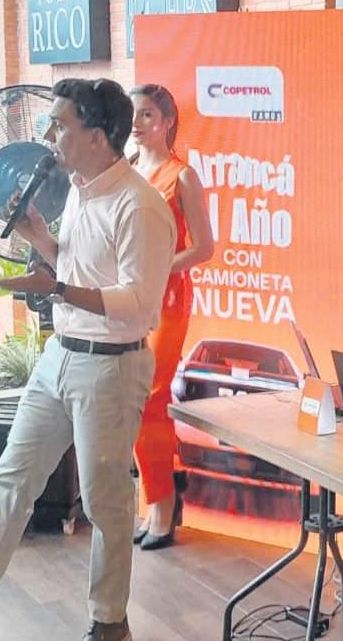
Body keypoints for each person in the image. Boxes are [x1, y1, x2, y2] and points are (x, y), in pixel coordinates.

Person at [0, 78, 176, 641]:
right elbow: (77, 267)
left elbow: (139, 303)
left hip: (111, 367)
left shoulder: (140, 206)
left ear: (97, 136)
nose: (48, 135)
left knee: (105, 501)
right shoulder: (80, 191)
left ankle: (108, 623)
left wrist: (57, 288)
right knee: (13, 477)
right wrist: (43, 240)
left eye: (60, 125)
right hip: (60, 356)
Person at [126, 83, 213, 551]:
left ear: (167, 121)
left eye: (146, 114)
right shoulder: (124, 170)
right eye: (132, 114)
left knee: (151, 400)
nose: (137, 122)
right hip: (127, 301)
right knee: (132, 402)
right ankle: (157, 496)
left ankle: (160, 506)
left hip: (168, 302)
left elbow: (204, 247)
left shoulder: (182, 176)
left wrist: (160, 268)